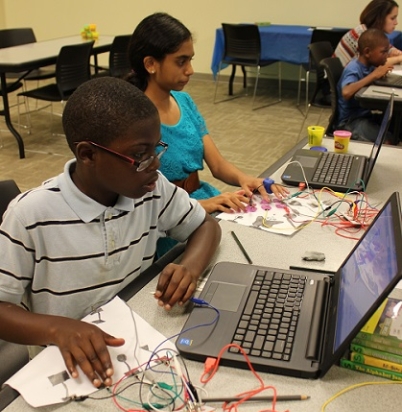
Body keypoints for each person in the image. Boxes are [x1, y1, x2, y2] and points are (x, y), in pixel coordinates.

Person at [0, 77, 221, 388]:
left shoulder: (152, 190)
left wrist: (190, 267)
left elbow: (205, 225)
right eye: (140, 155)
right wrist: (57, 329)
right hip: (66, 366)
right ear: (88, 155)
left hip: (139, 343)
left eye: (156, 149)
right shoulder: (29, 216)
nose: (155, 165)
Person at [126, 12, 288, 217]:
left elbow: (217, 164)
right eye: (181, 62)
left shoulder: (184, 101)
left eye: (190, 60)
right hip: (168, 215)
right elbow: (139, 202)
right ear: (150, 64)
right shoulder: (132, 117)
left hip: (200, 198)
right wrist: (203, 205)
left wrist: (245, 179)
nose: (190, 70)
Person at [336, 29, 394, 142]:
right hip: (350, 122)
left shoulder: (370, 66)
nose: (386, 56)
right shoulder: (353, 68)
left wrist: (378, 76)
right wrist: (374, 75)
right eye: (383, 52)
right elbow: (346, 92)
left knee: (396, 125)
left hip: (366, 116)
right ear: (367, 52)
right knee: (386, 140)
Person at [334, 0, 402, 67]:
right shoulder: (362, 35)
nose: (396, 23)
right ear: (379, 18)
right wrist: (398, 59)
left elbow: (387, 48)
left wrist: (394, 51)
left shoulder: (374, 34)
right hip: (344, 74)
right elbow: (375, 65)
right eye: (392, 18)